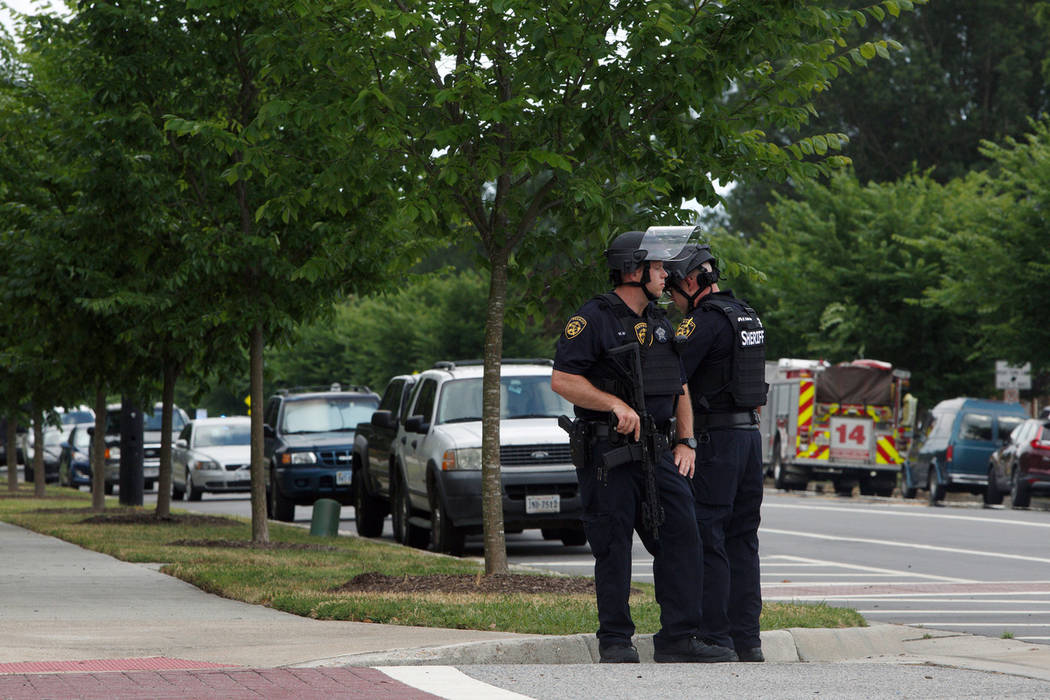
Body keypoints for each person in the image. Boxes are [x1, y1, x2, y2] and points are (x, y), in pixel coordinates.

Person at [551, 228, 737, 664]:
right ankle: (615, 638)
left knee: (683, 536)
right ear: (633, 270)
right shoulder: (593, 318)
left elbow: (680, 386)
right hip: (609, 453)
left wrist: (686, 440)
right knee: (613, 546)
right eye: (658, 267)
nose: (666, 275)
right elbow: (563, 379)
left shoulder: (658, 322)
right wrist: (613, 403)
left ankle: (678, 637)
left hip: (657, 452)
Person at [666, 243, 768, 663]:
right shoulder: (747, 315)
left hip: (717, 443)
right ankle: (748, 639)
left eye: (672, 289)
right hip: (749, 441)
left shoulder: (703, 322)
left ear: (691, 282)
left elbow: (672, 373)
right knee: (743, 540)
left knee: (710, 536)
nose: (671, 300)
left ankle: (715, 636)